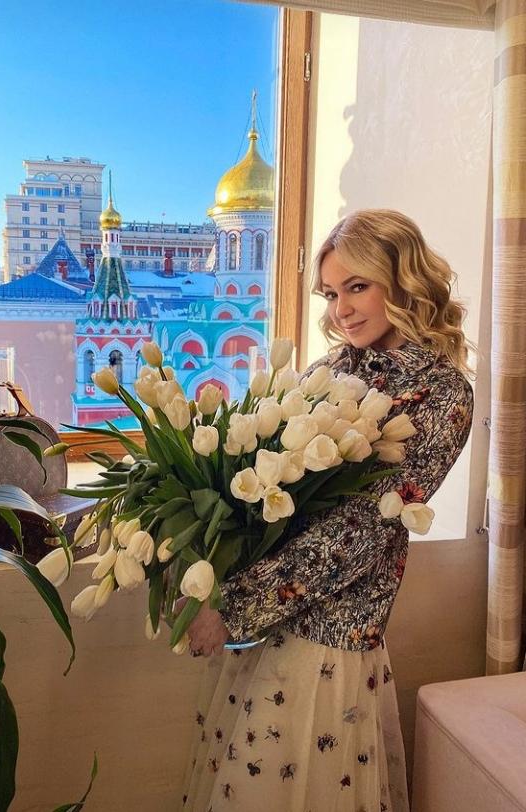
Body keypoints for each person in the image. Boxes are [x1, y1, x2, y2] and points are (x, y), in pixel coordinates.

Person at [178, 209, 476, 811]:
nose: (341, 309)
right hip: (267, 626)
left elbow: (361, 531)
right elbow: (261, 485)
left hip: (331, 636)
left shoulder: (443, 394)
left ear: (404, 279)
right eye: (332, 293)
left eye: (357, 287)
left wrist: (235, 607)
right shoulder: (330, 368)